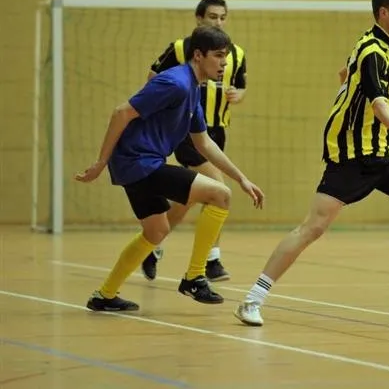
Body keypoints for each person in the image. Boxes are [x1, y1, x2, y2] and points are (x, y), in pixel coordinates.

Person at [233, 0, 389, 327]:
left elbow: (350, 77)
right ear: (383, 13)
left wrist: (348, 80)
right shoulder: (372, 50)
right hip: (352, 157)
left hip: (384, 153)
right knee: (312, 228)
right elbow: (379, 104)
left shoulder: (388, 49)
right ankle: (252, 301)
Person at [75, 25, 264, 311]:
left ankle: (104, 295)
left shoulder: (193, 89)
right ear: (198, 55)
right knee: (219, 195)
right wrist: (101, 162)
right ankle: (195, 277)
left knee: (156, 231)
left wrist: (242, 178)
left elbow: (204, 143)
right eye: (218, 56)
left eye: (226, 57)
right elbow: (121, 112)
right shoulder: (175, 83)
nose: (224, 63)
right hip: (138, 161)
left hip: (137, 163)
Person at [140, 0, 247, 283]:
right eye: (212, 17)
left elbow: (241, 86)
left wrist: (238, 95)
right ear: (199, 18)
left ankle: (152, 244)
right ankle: (211, 261)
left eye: (222, 17)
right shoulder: (180, 48)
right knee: (219, 189)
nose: (218, 22)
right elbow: (153, 77)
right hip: (188, 131)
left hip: (217, 130)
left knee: (189, 198)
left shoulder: (236, 53)